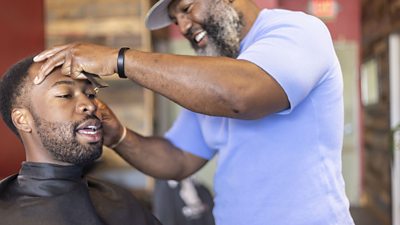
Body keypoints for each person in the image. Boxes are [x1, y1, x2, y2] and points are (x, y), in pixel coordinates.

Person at [32, 0, 355, 224]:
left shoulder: (296, 31)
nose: (184, 26)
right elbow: (177, 160)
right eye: (176, 19)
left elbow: (242, 96)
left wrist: (119, 59)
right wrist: (119, 136)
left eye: (186, 8)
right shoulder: (215, 77)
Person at [0, 56, 161, 225]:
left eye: (91, 94)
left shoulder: (120, 201)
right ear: (22, 120)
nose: (91, 105)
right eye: (65, 95)